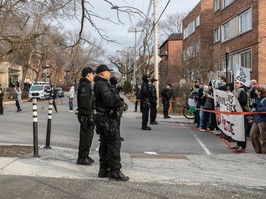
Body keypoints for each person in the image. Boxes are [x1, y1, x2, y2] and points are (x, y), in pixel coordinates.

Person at [93, 64, 129, 181]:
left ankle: (104, 169)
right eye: (108, 72)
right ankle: (115, 171)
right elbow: (110, 101)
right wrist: (120, 103)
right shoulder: (102, 85)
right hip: (108, 119)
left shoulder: (99, 84)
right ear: (102, 73)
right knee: (114, 144)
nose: (109, 74)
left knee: (104, 144)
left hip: (102, 118)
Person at [76, 67, 95, 166]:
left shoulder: (87, 85)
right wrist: (88, 115)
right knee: (85, 137)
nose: (93, 76)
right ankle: (82, 157)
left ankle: (85, 155)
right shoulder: (84, 85)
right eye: (92, 74)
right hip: (85, 115)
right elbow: (85, 102)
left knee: (89, 136)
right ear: (88, 74)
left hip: (87, 114)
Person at [230, 81, 249, 153]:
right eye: (235, 83)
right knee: (237, 129)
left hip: (242, 113)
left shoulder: (242, 92)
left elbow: (243, 102)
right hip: (237, 113)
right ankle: (238, 144)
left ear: (241, 84)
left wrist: (237, 97)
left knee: (242, 130)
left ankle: (243, 146)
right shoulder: (237, 91)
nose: (235, 84)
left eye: (237, 83)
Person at [249, 86, 266, 154]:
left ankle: (264, 151)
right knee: (252, 135)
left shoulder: (264, 100)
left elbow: (264, 109)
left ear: (260, 92)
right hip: (256, 120)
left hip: (262, 120)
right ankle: (258, 150)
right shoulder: (256, 99)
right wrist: (252, 117)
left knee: (263, 137)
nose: (255, 92)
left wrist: (256, 109)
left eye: (257, 91)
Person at [109, 76, 127, 141]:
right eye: (116, 79)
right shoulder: (113, 89)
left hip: (114, 109)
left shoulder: (112, 88)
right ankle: (116, 136)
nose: (117, 80)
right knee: (116, 123)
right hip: (115, 109)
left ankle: (116, 135)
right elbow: (116, 99)